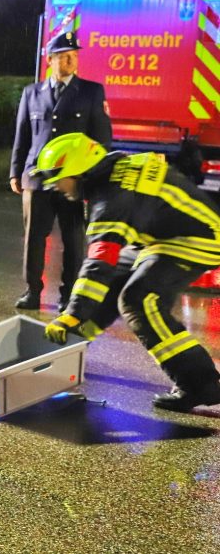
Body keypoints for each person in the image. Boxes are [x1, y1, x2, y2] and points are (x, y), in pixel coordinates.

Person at [34, 133, 220, 412]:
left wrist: (71, 314)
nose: (56, 187)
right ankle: (66, 353)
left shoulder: (111, 198)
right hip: (162, 237)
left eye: (58, 179)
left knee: (139, 301)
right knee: (110, 288)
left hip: (197, 240)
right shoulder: (110, 171)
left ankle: (201, 384)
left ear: (80, 172)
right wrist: (75, 325)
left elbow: (98, 263)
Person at [9, 30, 112, 311]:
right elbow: (23, 135)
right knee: (34, 238)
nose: (71, 61)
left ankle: (69, 295)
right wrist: (15, 172)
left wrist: (92, 178)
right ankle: (32, 291)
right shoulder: (32, 93)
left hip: (72, 180)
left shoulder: (91, 92)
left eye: (74, 56)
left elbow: (101, 140)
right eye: (64, 57)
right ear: (50, 60)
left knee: (73, 240)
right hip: (38, 177)